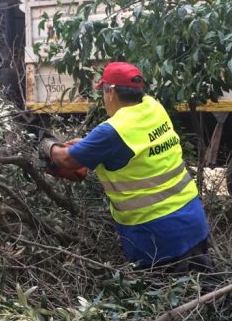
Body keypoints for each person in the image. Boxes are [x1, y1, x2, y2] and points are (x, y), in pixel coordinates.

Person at [41, 62, 214, 272]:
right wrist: (88, 145)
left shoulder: (113, 131)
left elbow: (66, 160)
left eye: (103, 93)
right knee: (205, 293)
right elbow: (132, 144)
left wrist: (46, 145)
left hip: (157, 237)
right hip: (193, 221)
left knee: (161, 300)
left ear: (111, 92)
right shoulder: (153, 107)